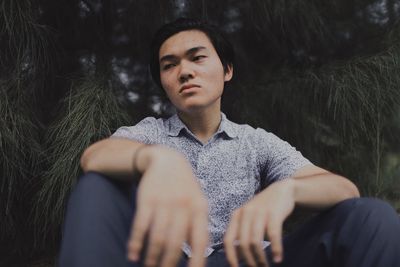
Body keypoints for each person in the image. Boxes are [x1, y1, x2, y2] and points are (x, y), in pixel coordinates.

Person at [59, 18, 400, 267]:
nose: (185, 71)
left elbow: (343, 190)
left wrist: (289, 190)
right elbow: (95, 156)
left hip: (249, 259)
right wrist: (158, 161)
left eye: (197, 57)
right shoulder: (149, 134)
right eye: (170, 64)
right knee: (97, 184)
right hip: (165, 259)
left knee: (370, 217)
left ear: (227, 70)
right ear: (163, 82)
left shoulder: (255, 142)